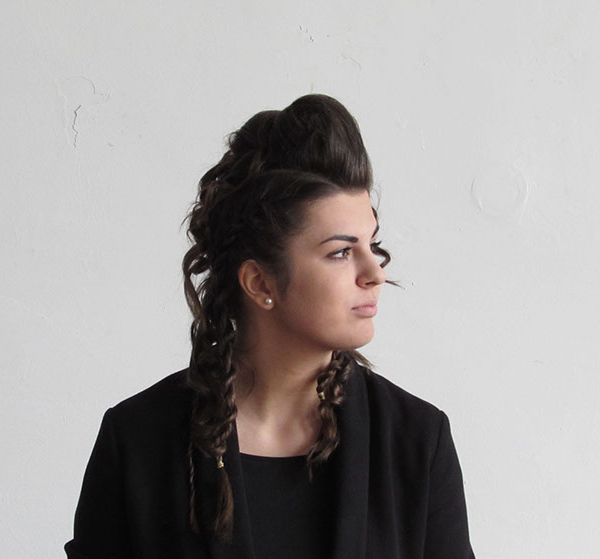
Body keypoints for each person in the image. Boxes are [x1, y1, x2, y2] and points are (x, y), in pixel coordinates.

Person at [64, 94, 475, 558]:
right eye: (341, 252)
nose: (374, 273)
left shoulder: (416, 441)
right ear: (260, 282)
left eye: (372, 245)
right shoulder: (139, 441)